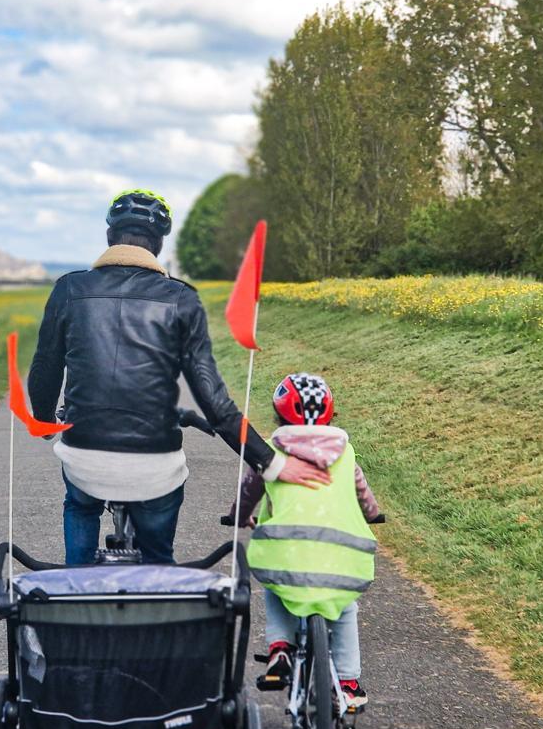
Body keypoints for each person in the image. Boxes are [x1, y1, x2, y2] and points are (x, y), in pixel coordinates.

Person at [27, 188, 330, 566]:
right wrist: (272, 464)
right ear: (157, 244)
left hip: (85, 454)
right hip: (155, 466)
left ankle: (73, 587)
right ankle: (159, 590)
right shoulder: (181, 298)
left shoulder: (69, 289)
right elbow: (215, 404)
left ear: (109, 237)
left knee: (81, 502)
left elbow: (45, 368)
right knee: (158, 557)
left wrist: (45, 421)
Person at [246, 373, 382, 710]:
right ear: (330, 415)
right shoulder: (345, 453)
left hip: (287, 551)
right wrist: (373, 513)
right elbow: (363, 494)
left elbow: (249, 489)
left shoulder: (272, 453)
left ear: (278, 416)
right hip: (341, 554)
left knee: (276, 587)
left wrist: (240, 514)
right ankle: (348, 683)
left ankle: (280, 648)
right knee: (345, 608)